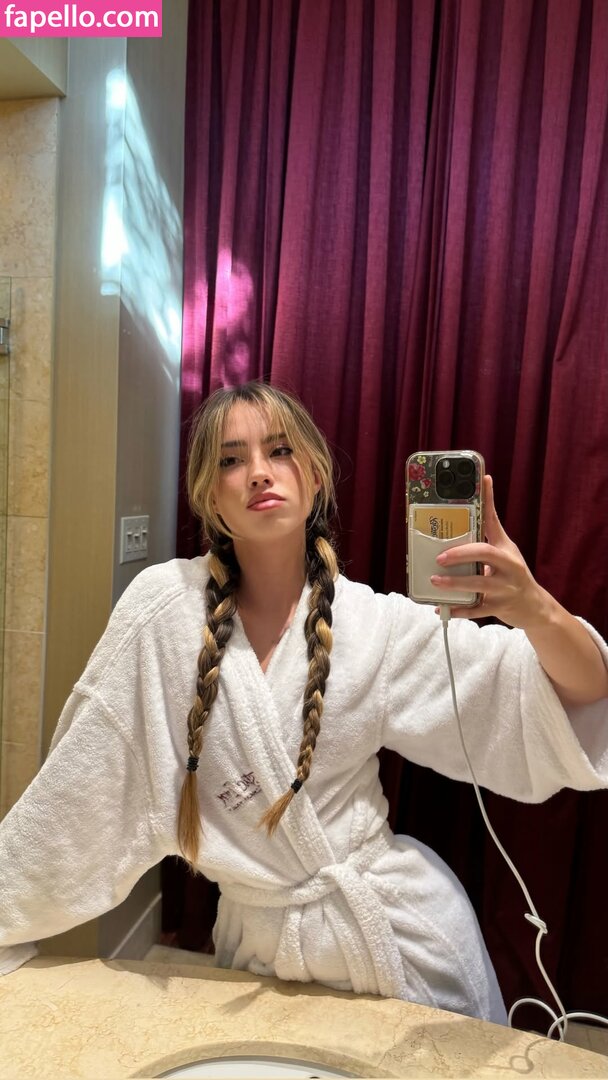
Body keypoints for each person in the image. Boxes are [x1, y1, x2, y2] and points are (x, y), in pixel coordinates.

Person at [1, 381, 607, 1025]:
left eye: (281, 451)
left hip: (401, 947)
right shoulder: (162, 614)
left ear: (315, 477)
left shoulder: (374, 626)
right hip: (257, 956)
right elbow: (80, 786)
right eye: (231, 459)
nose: (259, 472)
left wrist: (533, 608)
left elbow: (575, 696)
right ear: (210, 497)